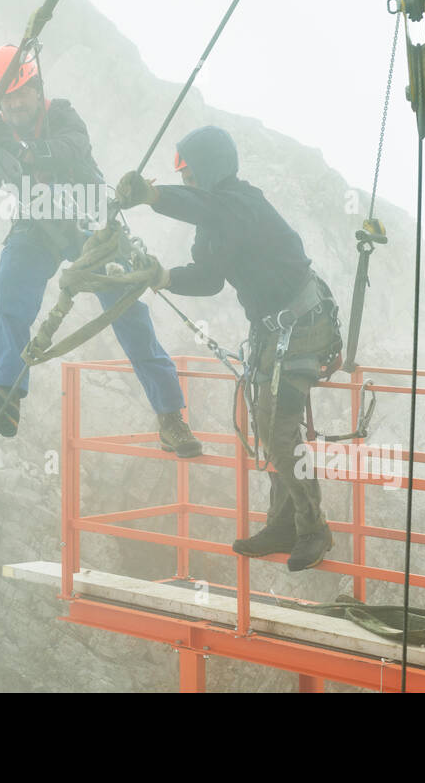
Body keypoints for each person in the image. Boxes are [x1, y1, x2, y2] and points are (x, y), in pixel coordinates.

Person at [0, 44, 201, 457]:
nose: (16, 103)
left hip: (89, 220)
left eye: (22, 94)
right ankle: (7, 395)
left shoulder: (62, 115)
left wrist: (22, 150)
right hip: (38, 224)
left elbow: (73, 146)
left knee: (127, 311)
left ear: (38, 90)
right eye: (8, 98)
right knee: (10, 288)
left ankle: (170, 415)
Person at [115, 125, 342, 571]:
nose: (186, 182)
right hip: (272, 332)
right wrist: (165, 278)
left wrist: (153, 197)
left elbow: (210, 209)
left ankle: (314, 528)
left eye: (191, 174)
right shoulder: (213, 219)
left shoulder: (242, 203)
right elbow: (209, 277)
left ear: (211, 170)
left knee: (279, 431)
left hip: (303, 328)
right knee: (268, 425)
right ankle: (284, 523)